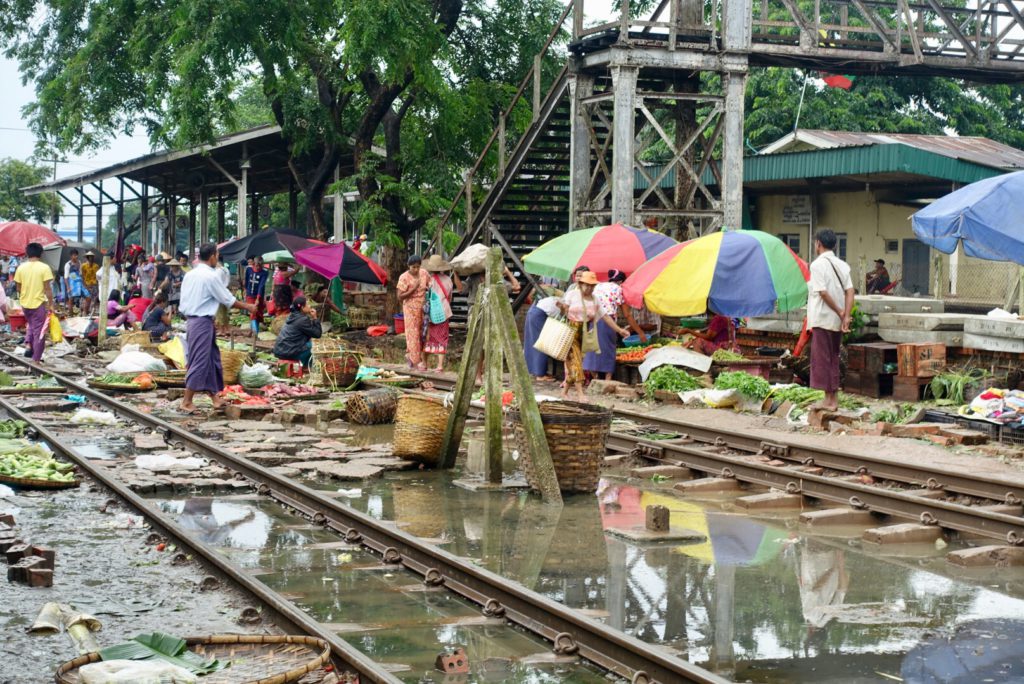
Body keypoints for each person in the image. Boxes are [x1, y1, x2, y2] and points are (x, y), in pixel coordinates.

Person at [178, 243, 256, 414]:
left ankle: (215, 397)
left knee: (212, 359)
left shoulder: (190, 274)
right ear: (212, 256)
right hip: (201, 321)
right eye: (218, 255)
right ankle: (187, 401)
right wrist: (248, 307)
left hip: (195, 320)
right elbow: (227, 299)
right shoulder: (210, 276)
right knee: (199, 360)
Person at [557, 271, 628, 402]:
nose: (589, 288)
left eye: (592, 286)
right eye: (586, 285)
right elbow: (564, 310)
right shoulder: (572, 295)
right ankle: (580, 394)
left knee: (574, 363)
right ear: (580, 284)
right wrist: (561, 307)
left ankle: (564, 392)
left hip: (584, 333)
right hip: (570, 332)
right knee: (577, 362)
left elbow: (605, 316)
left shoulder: (595, 300)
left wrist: (619, 330)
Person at [808, 228, 855, 412]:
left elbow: (822, 292)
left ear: (818, 243)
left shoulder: (817, 265)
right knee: (833, 358)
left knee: (822, 359)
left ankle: (829, 401)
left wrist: (840, 312)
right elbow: (850, 291)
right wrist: (846, 315)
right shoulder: (842, 264)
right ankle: (832, 398)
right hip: (836, 321)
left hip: (823, 319)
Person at [584, 269, 647, 381]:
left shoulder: (599, 285)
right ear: (621, 281)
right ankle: (608, 380)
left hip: (592, 319)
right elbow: (627, 315)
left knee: (592, 349)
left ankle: (596, 378)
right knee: (609, 349)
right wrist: (640, 333)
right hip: (607, 320)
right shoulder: (618, 289)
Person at [14, 243, 55, 363]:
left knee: (31, 325)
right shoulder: (44, 268)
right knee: (40, 332)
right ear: (41, 253)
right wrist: (51, 304)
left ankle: (28, 345)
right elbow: (47, 288)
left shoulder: (21, 267)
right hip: (38, 304)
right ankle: (36, 359)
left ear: (27, 253)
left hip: (25, 304)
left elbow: (18, 287)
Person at [422, 254, 460, 372]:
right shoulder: (448, 280)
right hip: (444, 311)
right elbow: (450, 296)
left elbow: (425, 295)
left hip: (431, 313)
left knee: (427, 337)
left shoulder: (429, 280)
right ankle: (439, 366)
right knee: (442, 337)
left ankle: (424, 364)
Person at [397, 254, 431, 369]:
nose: (416, 269)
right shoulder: (404, 277)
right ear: (409, 266)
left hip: (422, 308)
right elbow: (400, 296)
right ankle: (415, 362)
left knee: (423, 334)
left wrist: (429, 288)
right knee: (413, 335)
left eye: (418, 267)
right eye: (413, 267)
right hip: (410, 309)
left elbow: (430, 284)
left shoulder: (424, 273)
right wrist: (413, 288)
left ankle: (417, 359)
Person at [272, 296, 323, 367]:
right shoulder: (302, 320)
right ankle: (307, 366)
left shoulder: (292, 316)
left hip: (280, 351)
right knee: (315, 346)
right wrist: (315, 318)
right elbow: (317, 334)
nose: (310, 306)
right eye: (307, 304)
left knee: (308, 342)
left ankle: (306, 365)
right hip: (289, 352)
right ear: (302, 307)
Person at [523, 287, 561, 381]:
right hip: (538, 315)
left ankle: (534, 371)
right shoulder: (561, 302)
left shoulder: (553, 299)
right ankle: (540, 374)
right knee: (542, 343)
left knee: (532, 342)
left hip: (533, 312)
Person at [243, 255, 269, 333]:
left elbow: (261, 286)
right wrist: (245, 290)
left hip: (259, 295)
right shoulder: (248, 269)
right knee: (253, 312)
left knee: (258, 314)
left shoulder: (264, 272)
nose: (258, 267)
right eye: (257, 265)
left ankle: (253, 330)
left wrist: (258, 298)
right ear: (254, 264)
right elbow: (246, 280)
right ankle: (255, 333)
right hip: (250, 295)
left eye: (260, 266)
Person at [63, 249, 86, 315]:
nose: (76, 256)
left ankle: (82, 313)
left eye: (76, 255)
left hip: (78, 282)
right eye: (74, 255)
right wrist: (68, 287)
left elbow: (80, 274)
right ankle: (70, 314)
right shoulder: (68, 264)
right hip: (71, 283)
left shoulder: (79, 262)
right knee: (71, 299)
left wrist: (83, 283)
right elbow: (66, 277)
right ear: (71, 256)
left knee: (84, 297)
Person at [81, 250, 99, 315]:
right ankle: (84, 312)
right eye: (90, 257)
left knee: (94, 300)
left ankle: (91, 313)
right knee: (85, 300)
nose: (91, 258)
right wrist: (85, 285)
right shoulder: (83, 266)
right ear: (87, 257)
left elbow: (97, 276)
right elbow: (82, 276)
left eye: (92, 257)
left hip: (94, 285)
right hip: (87, 285)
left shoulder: (96, 266)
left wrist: (97, 285)